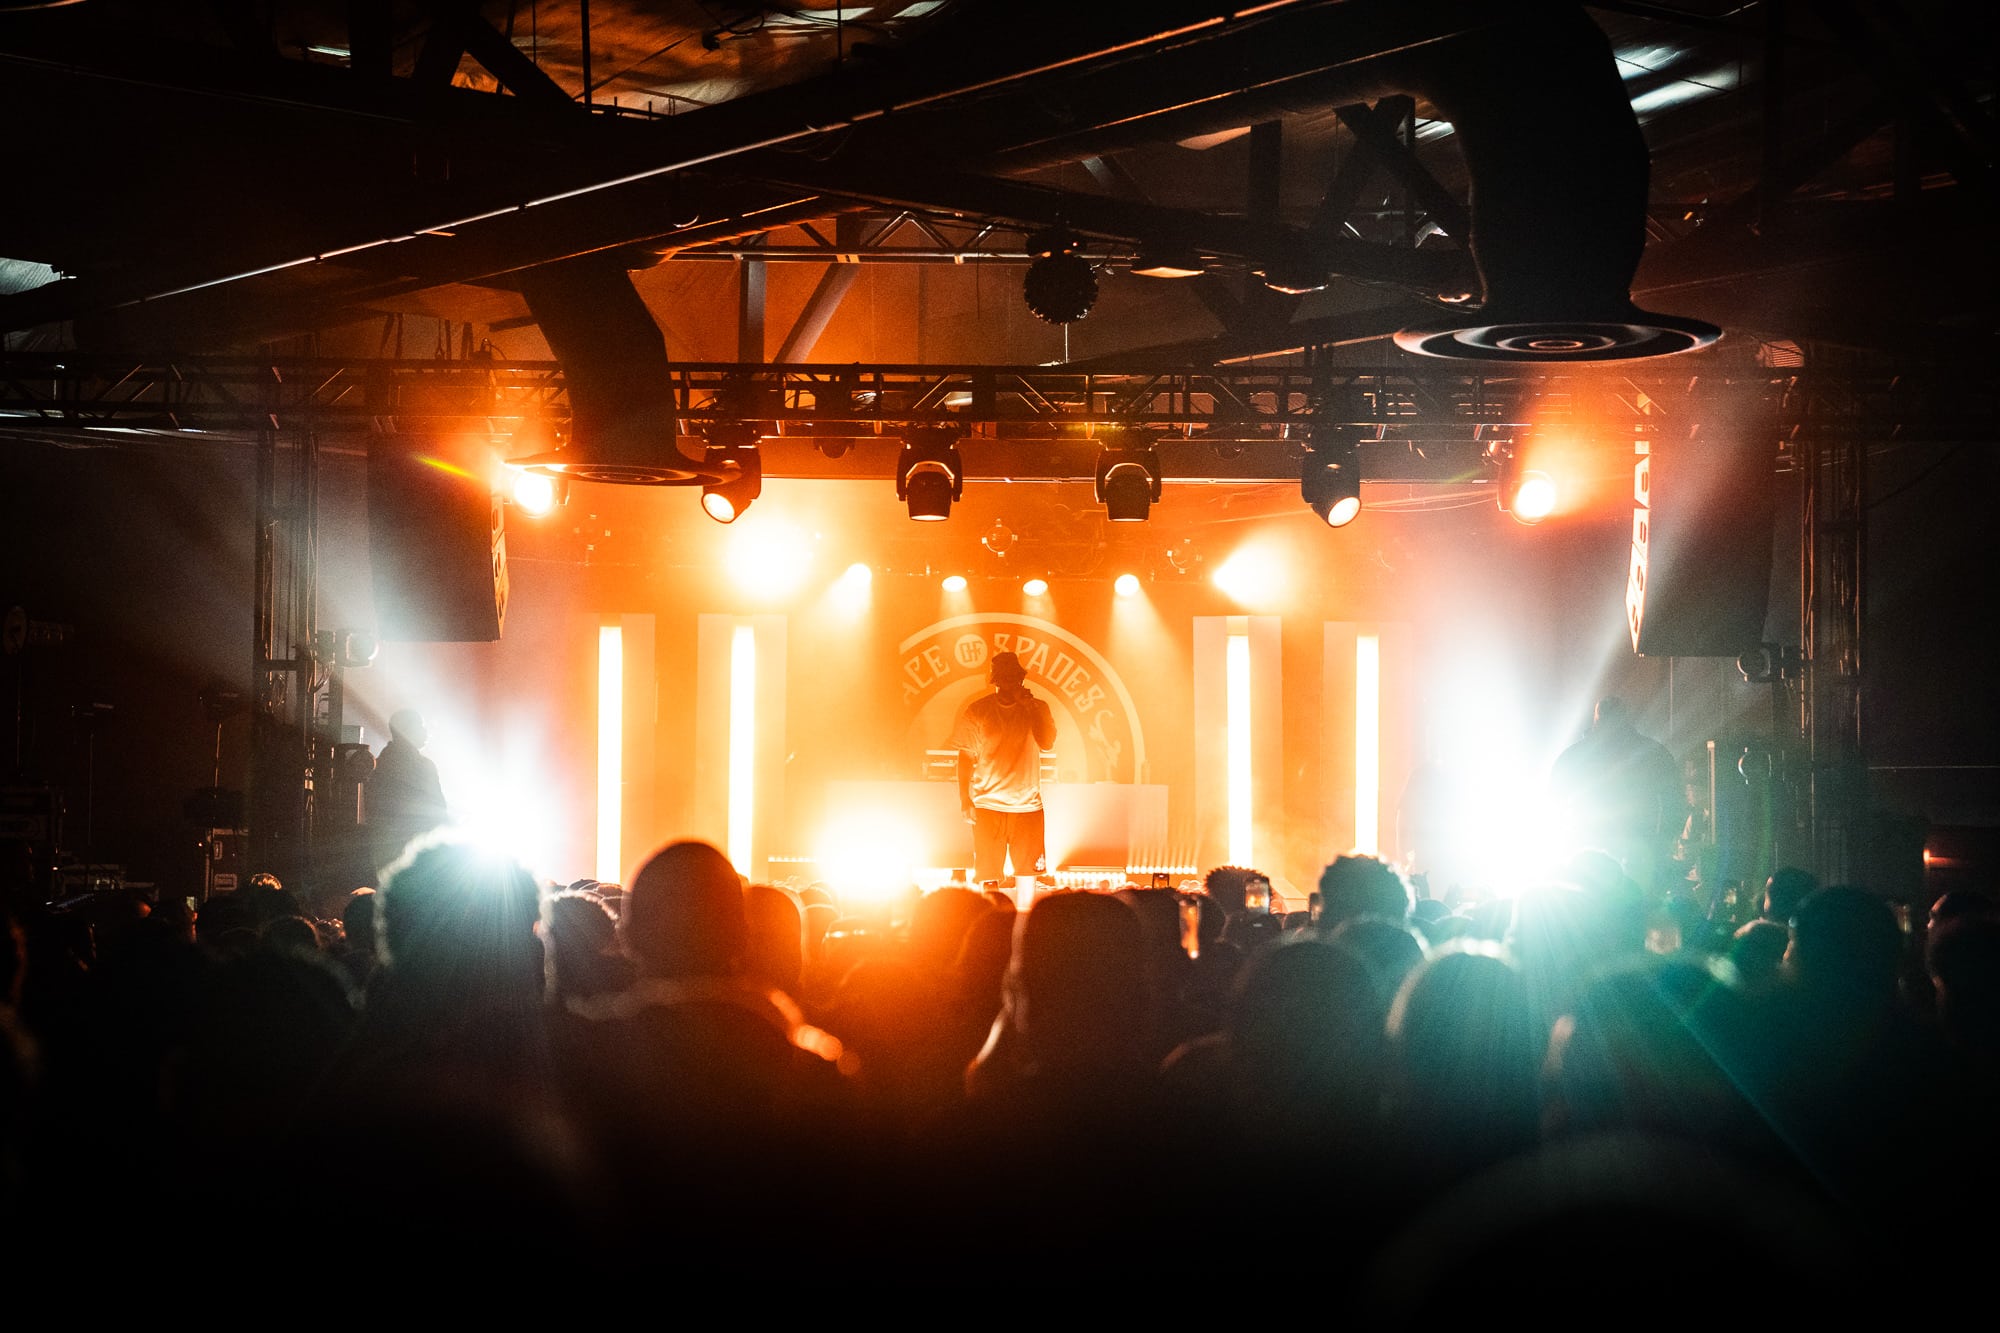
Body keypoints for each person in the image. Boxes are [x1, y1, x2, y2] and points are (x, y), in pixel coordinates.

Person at [1548, 696, 1682, 895]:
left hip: (1589, 845)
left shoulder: (1572, 757)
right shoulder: (1654, 753)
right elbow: (1674, 802)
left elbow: (1553, 804)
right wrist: (1664, 842)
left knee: (1587, 903)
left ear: (1596, 719)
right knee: (1636, 905)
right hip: (1638, 846)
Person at [951, 651, 1057, 885]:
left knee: (1028, 875)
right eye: (1005, 679)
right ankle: (991, 919)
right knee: (988, 875)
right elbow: (966, 756)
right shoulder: (978, 710)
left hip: (1027, 805)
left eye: (1015, 678)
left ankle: (1027, 919)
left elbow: (1047, 743)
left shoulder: (1038, 708)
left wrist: (1030, 707)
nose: (1011, 684)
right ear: (996, 681)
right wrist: (964, 798)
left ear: (1021, 679)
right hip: (988, 803)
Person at [365, 708, 447, 874]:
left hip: (385, 853)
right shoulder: (423, 766)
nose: (425, 731)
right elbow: (439, 810)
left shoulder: (380, 765)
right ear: (406, 730)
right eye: (420, 726)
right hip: (420, 851)